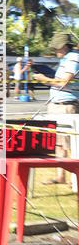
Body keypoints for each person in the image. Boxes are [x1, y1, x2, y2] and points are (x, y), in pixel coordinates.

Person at [33, 31, 79, 186]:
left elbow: (63, 82)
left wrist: (44, 79)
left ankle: (74, 179)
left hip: (66, 106)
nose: (54, 51)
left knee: (70, 144)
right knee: (59, 143)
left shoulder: (73, 58)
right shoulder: (66, 59)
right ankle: (60, 176)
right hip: (58, 105)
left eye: (56, 48)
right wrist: (45, 80)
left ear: (64, 46)